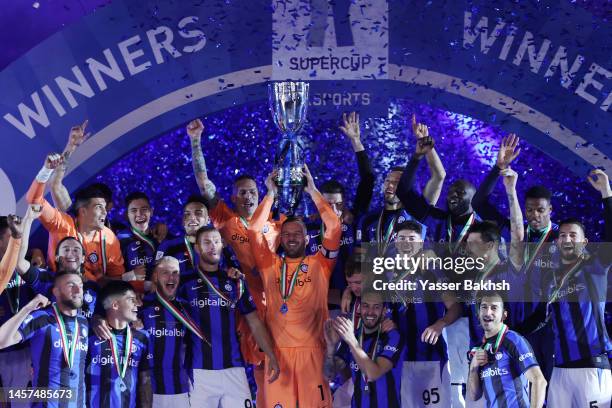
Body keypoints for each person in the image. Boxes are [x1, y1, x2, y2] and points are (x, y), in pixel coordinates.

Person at [186, 117, 283, 402]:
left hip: (278, 305)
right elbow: (204, 183)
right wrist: (195, 142)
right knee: (251, 371)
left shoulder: (276, 225)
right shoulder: (226, 220)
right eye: (242, 192)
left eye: (253, 191)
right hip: (243, 307)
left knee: (280, 368)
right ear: (233, 196)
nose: (248, 196)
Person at [247, 164, 341, 407]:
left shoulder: (321, 264)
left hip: (313, 353)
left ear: (307, 238)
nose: (290, 237)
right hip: (277, 354)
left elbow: (334, 227)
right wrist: (270, 193)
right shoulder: (270, 264)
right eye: (286, 233)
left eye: (297, 233)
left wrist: (313, 192)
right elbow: (254, 229)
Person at [180, 225, 280, 407]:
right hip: (199, 372)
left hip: (234, 369)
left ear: (222, 245)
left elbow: (254, 322)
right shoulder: (184, 282)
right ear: (197, 248)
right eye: (207, 242)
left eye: (216, 242)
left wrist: (271, 355)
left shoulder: (234, 281)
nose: (212, 246)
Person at [544, 169, 611, 408]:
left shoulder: (595, 266)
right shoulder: (551, 279)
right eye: (562, 235)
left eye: (573, 235)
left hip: (591, 366)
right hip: (560, 370)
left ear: (585, 242)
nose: (567, 239)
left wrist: (606, 193)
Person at [388, 220, 462, 408]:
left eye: (412, 239)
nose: (406, 243)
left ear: (420, 243)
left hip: (430, 353)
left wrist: (440, 324)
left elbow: (455, 306)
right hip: (399, 356)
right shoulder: (386, 271)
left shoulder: (432, 269)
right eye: (402, 238)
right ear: (395, 242)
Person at [306, 112, 375, 305]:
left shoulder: (354, 220)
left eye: (339, 204)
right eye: (328, 205)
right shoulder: (309, 227)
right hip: (319, 306)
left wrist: (356, 142)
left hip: (355, 304)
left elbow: (368, 180)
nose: (334, 209)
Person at [25, 153, 125, 282]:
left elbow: (117, 277)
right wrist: (46, 170)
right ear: (83, 211)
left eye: (105, 208)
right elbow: (34, 199)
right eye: (99, 207)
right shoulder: (62, 225)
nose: (105, 212)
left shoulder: (109, 238)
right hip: (57, 291)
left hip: (94, 295)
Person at [0, 270, 89, 408]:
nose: (78, 290)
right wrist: (27, 309)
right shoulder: (41, 318)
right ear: (56, 292)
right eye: (71, 285)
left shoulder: (83, 322)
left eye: (81, 285)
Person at [357, 115, 444, 253]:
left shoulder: (416, 211)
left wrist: (427, 148)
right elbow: (364, 260)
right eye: (388, 181)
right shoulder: (370, 219)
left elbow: (439, 176)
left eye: (396, 183)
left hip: (409, 275)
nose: (390, 186)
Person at [324, 290, 405, 408]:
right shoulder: (354, 336)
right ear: (359, 309)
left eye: (376, 307)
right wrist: (331, 347)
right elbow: (329, 375)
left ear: (383, 311)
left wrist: (351, 340)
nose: (370, 312)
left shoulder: (393, 337)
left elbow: (373, 373)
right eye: (365, 306)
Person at [467, 291, 547, 407]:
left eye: (494, 308)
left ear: (504, 315)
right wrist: (473, 367)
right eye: (484, 307)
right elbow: (474, 396)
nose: (488, 312)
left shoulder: (513, 340)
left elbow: (539, 381)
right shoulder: (480, 349)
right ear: (479, 314)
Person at [86, 280, 152, 408]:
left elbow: (145, 383)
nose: (138, 304)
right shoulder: (90, 337)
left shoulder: (142, 337)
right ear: (115, 305)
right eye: (131, 299)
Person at [140, 257, 194, 407]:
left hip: (181, 388)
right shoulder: (141, 305)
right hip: (150, 389)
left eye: (175, 273)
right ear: (156, 276)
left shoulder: (187, 308)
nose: (171, 277)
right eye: (165, 273)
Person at [155, 195, 211, 275]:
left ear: (208, 220)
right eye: (187, 214)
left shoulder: (217, 247)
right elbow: (156, 279)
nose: (192, 218)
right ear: (183, 221)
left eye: (198, 213)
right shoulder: (167, 246)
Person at [116, 192, 160, 290]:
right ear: (127, 215)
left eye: (144, 209)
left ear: (151, 212)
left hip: (159, 294)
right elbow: (112, 277)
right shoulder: (120, 241)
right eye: (133, 210)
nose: (139, 214)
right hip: (133, 296)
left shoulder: (161, 237)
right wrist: (131, 275)